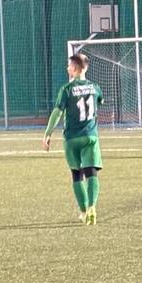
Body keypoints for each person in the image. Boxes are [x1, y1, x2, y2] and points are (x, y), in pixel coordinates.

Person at [43, 51, 104, 225]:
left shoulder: (67, 89)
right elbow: (100, 101)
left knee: (77, 174)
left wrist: (48, 133)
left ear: (75, 68)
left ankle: (83, 212)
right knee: (91, 173)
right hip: (90, 136)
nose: (67, 67)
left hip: (71, 138)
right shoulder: (95, 87)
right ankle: (92, 207)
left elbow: (57, 112)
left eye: (69, 65)